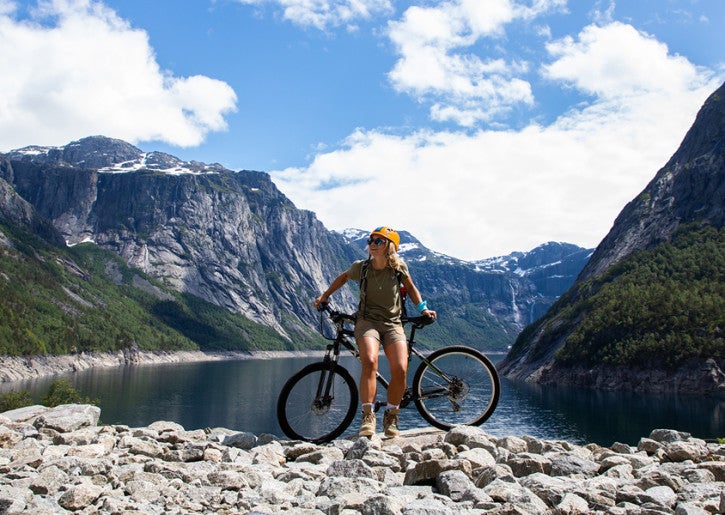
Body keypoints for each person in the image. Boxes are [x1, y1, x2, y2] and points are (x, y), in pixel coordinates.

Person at [313, 226, 436, 438]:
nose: (372, 244)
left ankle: (391, 416)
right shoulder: (361, 268)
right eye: (371, 240)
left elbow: (412, 289)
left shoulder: (399, 268)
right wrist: (324, 297)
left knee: (400, 369)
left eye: (378, 241)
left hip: (393, 324)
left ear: (390, 247)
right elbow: (342, 278)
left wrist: (423, 309)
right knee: (369, 361)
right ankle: (368, 416)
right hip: (367, 322)